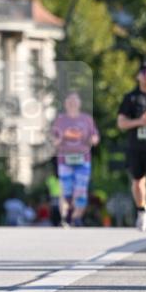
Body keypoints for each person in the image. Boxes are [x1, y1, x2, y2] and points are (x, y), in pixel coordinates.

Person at [117, 60, 146, 232]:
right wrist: (140, 122)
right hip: (136, 147)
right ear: (138, 76)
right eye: (143, 71)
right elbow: (121, 123)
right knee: (137, 182)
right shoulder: (131, 98)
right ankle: (141, 209)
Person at [50, 91, 99, 227]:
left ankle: (77, 217)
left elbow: (95, 137)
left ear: (79, 103)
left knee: (81, 190)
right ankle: (65, 217)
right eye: (69, 101)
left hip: (83, 160)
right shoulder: (60, 120)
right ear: (65, 104)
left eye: (74, 101)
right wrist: (58, 140)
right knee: (65, 190)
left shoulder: (86, 119)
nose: (72, 103)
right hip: (64, 160)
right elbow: (53, 139)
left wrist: (93, 140)